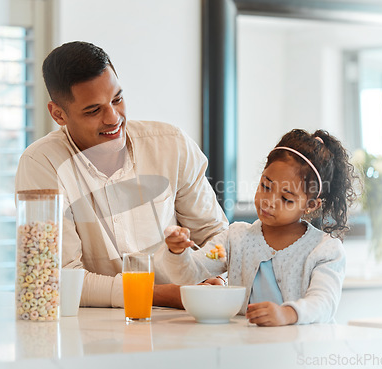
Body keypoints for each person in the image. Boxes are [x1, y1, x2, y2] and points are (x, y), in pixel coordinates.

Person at [15, 41, 228, 309]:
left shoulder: (171, 144)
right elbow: (58, 278)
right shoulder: (41, 164)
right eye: (93, 110)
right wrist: (164, 295)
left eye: (117, 99)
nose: (113, 118)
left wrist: (215, 278)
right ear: (58, 114)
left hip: (188, 317)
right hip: (93, 331)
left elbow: (215, 235)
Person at [162, 129, 356, 325]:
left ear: (310, 205)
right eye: (265, 186)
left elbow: (324, 302)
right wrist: (177, 252)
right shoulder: (235, 239)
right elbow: (188, 275)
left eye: (286, 198)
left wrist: (288, 314)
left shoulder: (325, 249)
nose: (269, 201)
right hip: (248, 348)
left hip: (302, 350)